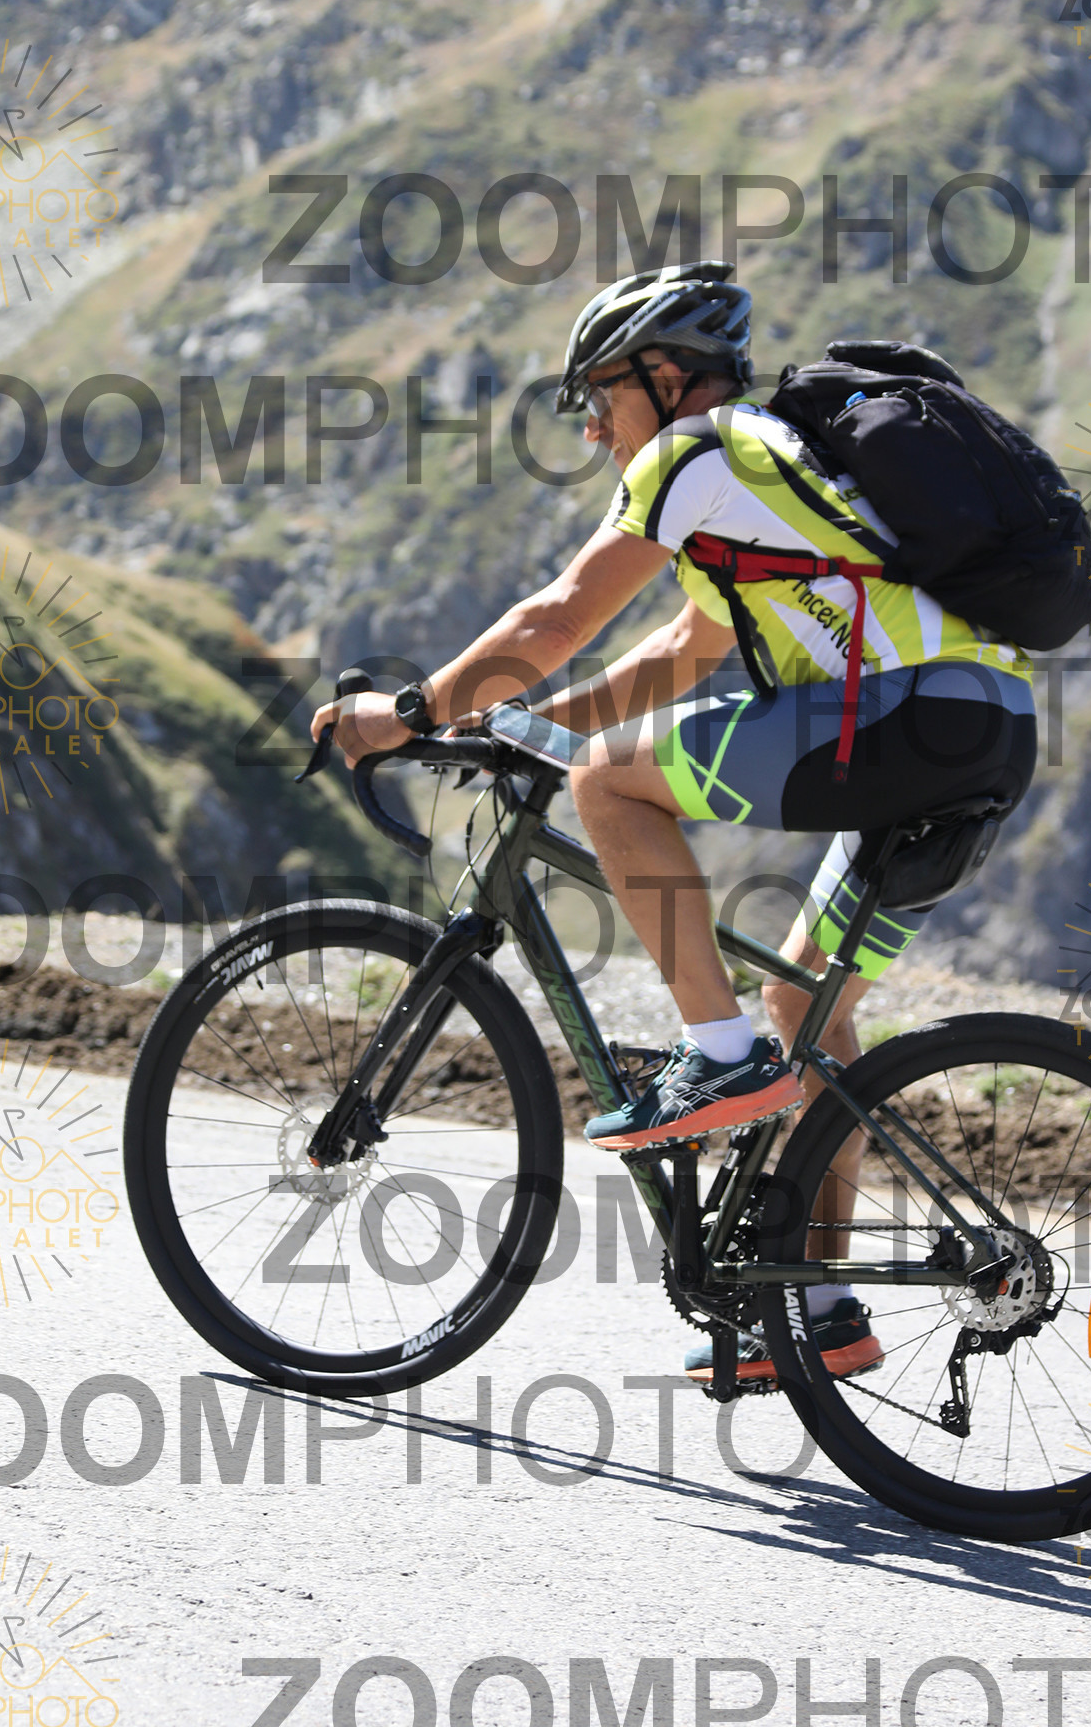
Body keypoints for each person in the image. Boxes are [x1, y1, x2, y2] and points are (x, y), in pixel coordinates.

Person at [313, 263, 1038, 1385]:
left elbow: (560, 615)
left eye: (600, 398)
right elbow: (679, 653)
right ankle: (821, 1311)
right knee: (806, 1009)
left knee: (610, 785)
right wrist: (515, 725)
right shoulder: (762, 475)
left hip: (909, 716)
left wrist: (407, 713)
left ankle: (718, 1058)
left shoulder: (695, 454)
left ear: (664, 376)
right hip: (983, 727)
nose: (595, 431)